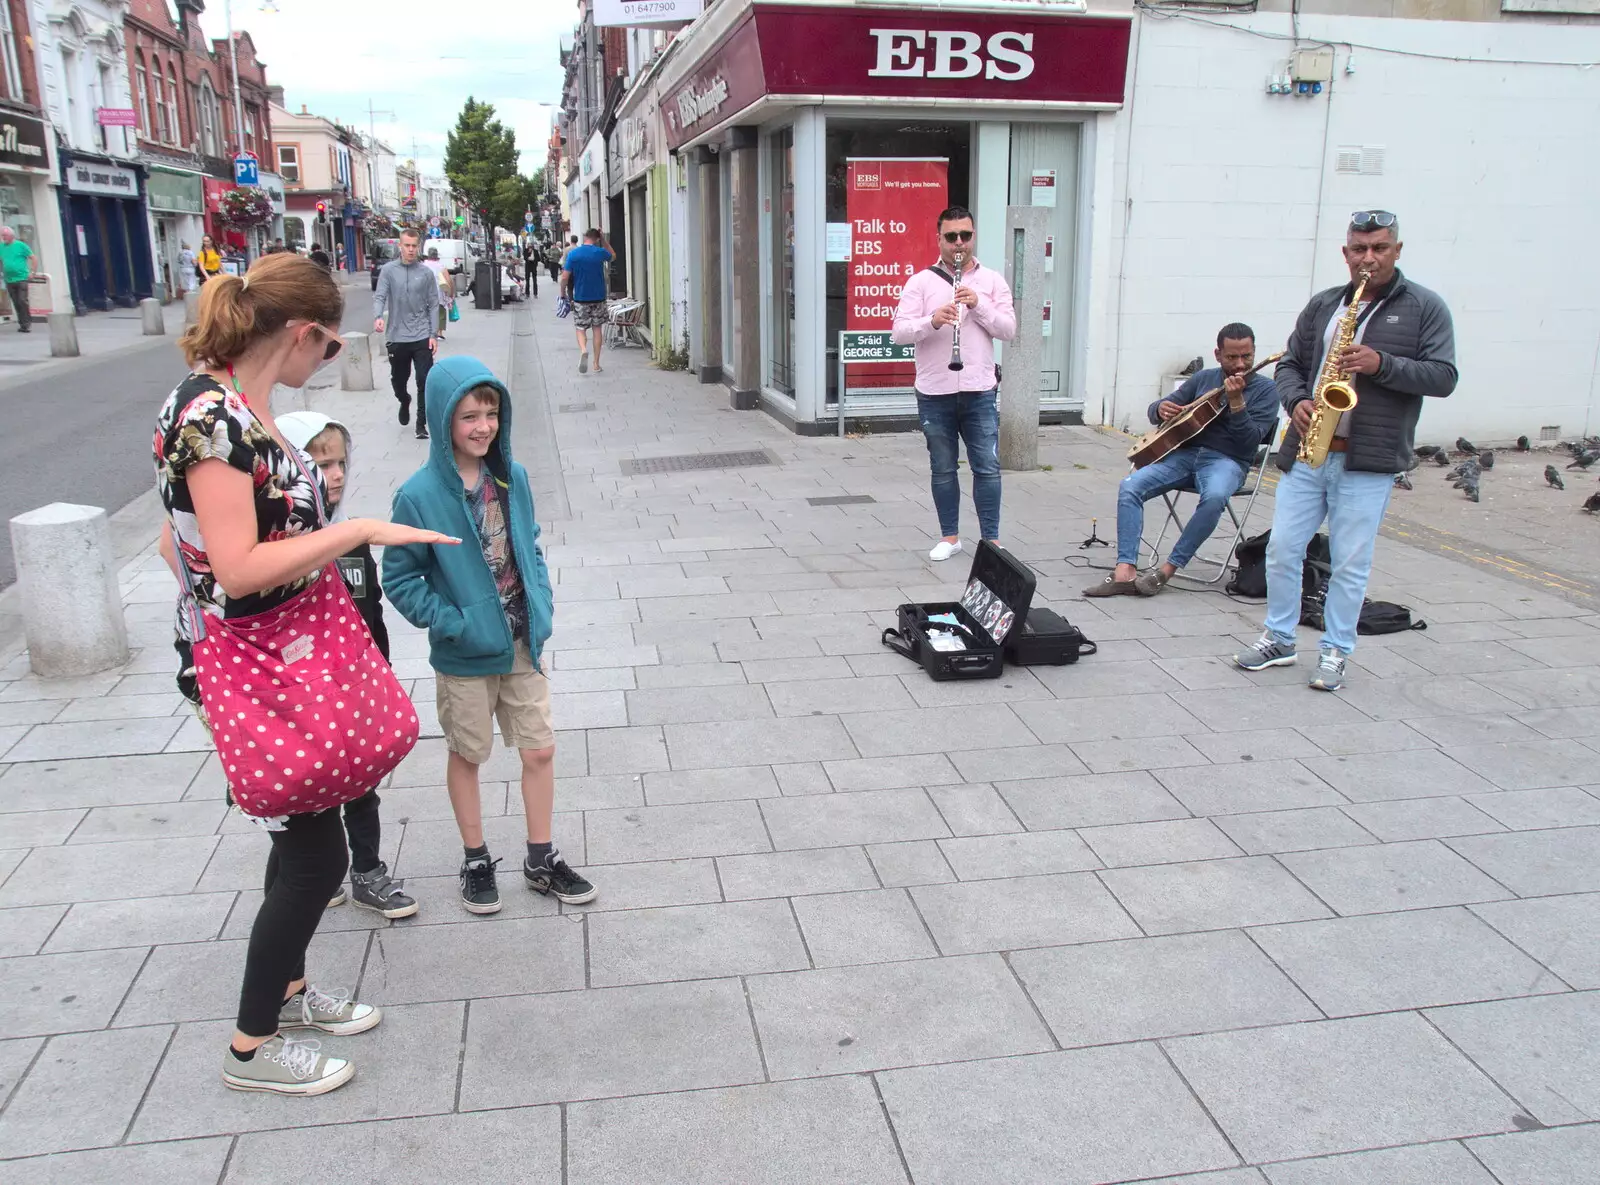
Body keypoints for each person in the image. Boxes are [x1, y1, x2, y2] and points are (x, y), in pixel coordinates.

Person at [153, 253, 455, 1095]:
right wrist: (355, 528)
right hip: (258, 661)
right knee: (319, 859)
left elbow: (173, 542)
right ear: (301, 333)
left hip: (274, 654)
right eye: (327, 351)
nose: (324, 364)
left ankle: (287, 995)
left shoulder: (232, 405)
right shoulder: (210, 416)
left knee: (302, 839)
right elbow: (239, 564)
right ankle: (251, 1046)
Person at [383, 357, 598, 915]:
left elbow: (531, 543)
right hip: (465, 654)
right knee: (468, 752)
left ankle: (540, 856)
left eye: (491, 413)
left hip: (523, 641)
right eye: (468, 416)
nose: (482, 426)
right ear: (443, 418)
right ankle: (475, 857)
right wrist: (453, 621)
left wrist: (542, 602)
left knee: (541, 748)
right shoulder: (418, 494)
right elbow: (400, 577)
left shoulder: (513, 477)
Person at [1233, 210, 1457, 691]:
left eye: (1379, 248)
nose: (1368, 259)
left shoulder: (1425, 307)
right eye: (1359, 249)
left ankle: (1335, 651)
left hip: (1367, 457)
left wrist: (1382, 364)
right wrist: (1295, 401)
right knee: (1282, 550)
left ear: (1397, 249)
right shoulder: (1324, 305)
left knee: (1350, 563)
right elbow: (1290, 365)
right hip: (1310, 450)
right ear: (1345, 253)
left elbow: (1443, 377)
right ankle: (1279, 638)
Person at [276, 411, 417, 922]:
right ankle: (321, 873)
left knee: (362, 784)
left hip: (355, 685)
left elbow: (370, 611)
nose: (334, 475)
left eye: (340, 463)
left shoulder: (352, 538)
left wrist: (380, 671)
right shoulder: (279, 548)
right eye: (319, 463)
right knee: (310, 789)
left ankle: (368, 873)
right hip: (301, 692)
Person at [1084, 324, 1280, 598]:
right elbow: (1157, 409)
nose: (1239, 364)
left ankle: (1166, 571)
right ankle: (1125, 570)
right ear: (1218, 354)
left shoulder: (1266, 390)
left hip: (1228, 461)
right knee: (1130, 486)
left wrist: (1237, 404)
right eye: (1231, 357)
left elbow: (1249, 443)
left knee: (1214, 497)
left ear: (1254, 352)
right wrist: (1160, 408)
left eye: (1246, 356)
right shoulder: (1203, 379)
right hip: (1184, 455)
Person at [891, 206, 1017, 561]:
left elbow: (1008, 330)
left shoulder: (991, 281)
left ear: (973, 237)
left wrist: (979, 307)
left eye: (966, 235)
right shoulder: (921, 282)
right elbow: (899, 332)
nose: (959, 243)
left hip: (979, 388)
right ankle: (950, 537)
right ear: (939, 239)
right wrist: (931, 321)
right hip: (935, 390)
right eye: (951, 236)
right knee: (943, 467)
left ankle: (991, 540)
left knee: (987, 467)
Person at [373, 228, 440, 440]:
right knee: (399, 380)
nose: (411, 250)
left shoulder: (426, 273)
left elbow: (433, 304)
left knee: (424, 380)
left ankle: (421, 424)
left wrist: (433, 334)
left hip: (421, 335)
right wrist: (378, 316)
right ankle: (404, 400)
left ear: (418, 247)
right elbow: (380, 295)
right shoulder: (389, 270)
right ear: (400, 246)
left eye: (414, 246)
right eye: (407, 246)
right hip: (397, 335)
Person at [561, 228, 614, 374]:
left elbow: (565, 277)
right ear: (597, 239)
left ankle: (584, 350)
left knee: (580, 328)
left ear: (584, 237)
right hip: (599, 298)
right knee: (597, 329)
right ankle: (596, 364)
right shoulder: (600, 252)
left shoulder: (574, 254)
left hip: (581, 298)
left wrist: (562, 294)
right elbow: (613, 256)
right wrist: (604, 241)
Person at [0, 226, 35, 332]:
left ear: (11, 235)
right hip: (9, 279)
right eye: (2, 235)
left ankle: (26, 323)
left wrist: (32, 272)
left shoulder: (20, 245)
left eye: (5, 235)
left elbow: (33, 257)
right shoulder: (1, 247)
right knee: (16, 302)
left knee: (22, 300)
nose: (3, 237)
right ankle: (22, 323)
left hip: (22, 278)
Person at [422, 246, 452, 340]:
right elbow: (448, 280)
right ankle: (439, 333)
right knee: (441, 313)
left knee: (426, 312)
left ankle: (427, 331)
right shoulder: (441, 266)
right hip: (439, 294)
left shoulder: (423, 265)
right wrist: (451, 293)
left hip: (425, 294)